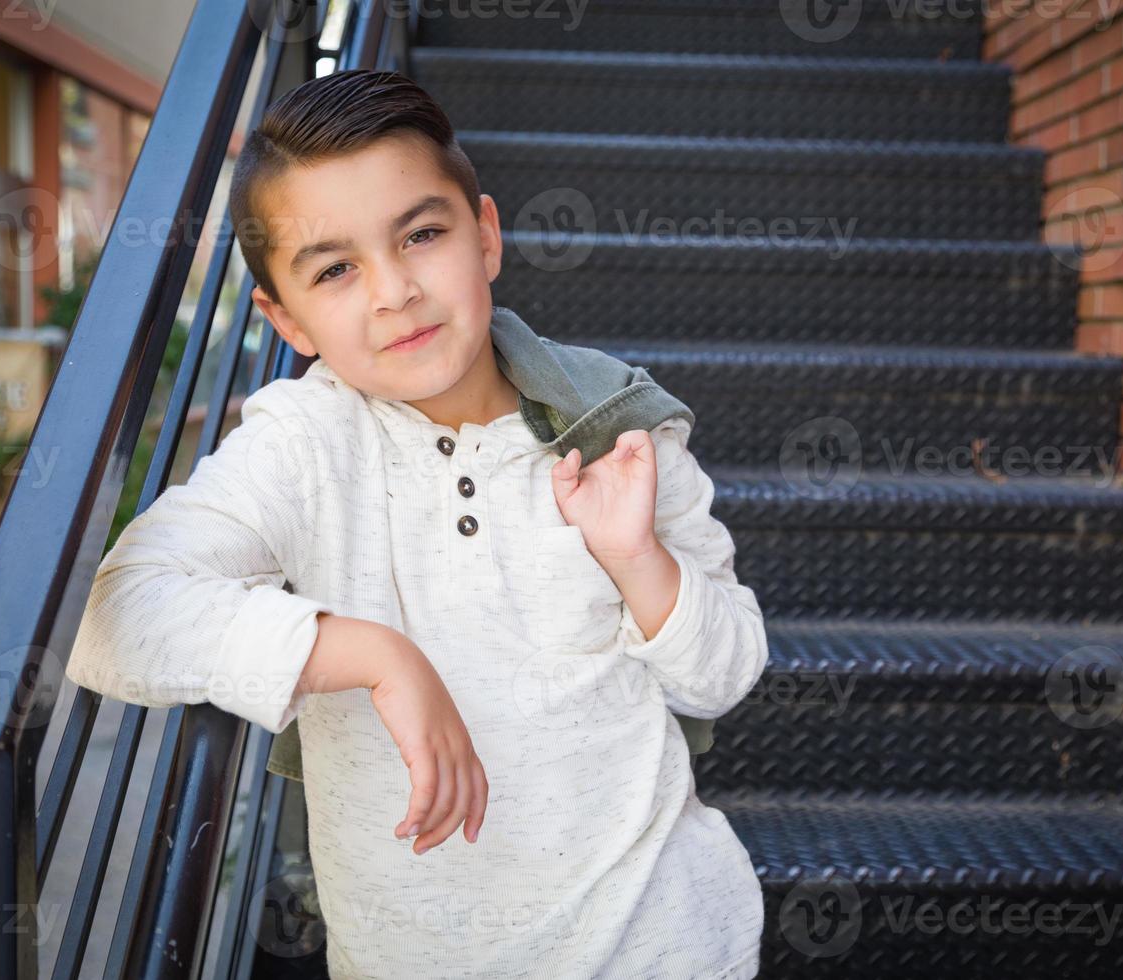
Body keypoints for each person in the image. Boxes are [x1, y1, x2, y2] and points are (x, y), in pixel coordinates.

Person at [64, 67, 768, 979]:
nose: (394, 290)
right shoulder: (303, 443)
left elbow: (724, 677)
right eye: (336, 268)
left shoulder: (616, 425)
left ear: (485, 237)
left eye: (422, 234)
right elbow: (118, 615)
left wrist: (634, 557)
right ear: (287, 319)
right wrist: (372, 655)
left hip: (663, 945)